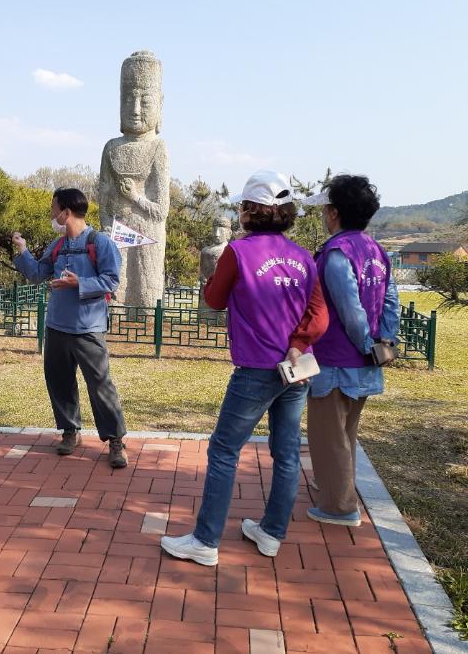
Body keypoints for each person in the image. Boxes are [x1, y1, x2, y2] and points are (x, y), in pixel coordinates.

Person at [160, 170, 328, 566]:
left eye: (243, 206)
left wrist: (210, 281)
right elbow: (320, 315)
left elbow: (214, 300)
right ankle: (272, 533)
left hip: (255, 368)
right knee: (286, 452)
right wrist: (297, 344)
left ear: (251, 210)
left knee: (224, 450)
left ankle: (205, 541)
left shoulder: (238, 252)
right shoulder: (304, 257)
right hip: (295, 368)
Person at [301, 175, 400, 526]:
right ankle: (334, 486)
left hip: (337, 361)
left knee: (329, 436)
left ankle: (338, 507)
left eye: (325, 209)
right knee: (344, 432)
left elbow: (350, 309)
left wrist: (365, 344)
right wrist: (385, 341)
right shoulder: (376, 250)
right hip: (366, 363)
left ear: (334, 212)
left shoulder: (336, 253)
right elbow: (391, 299)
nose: (323, 215)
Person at [11, 187, 128, 468]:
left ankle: (115, 441)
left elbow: (112, 280)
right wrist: (23, 250)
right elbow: (37, 274)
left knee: (100, 385)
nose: (52, 214)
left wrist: (80, 283)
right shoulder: (57, 245)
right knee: (59, 381)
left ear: (66, 212)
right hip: (57, 326)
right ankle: (70, 431)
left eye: (54, 209)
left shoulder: (100, 243)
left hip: (88, 328)